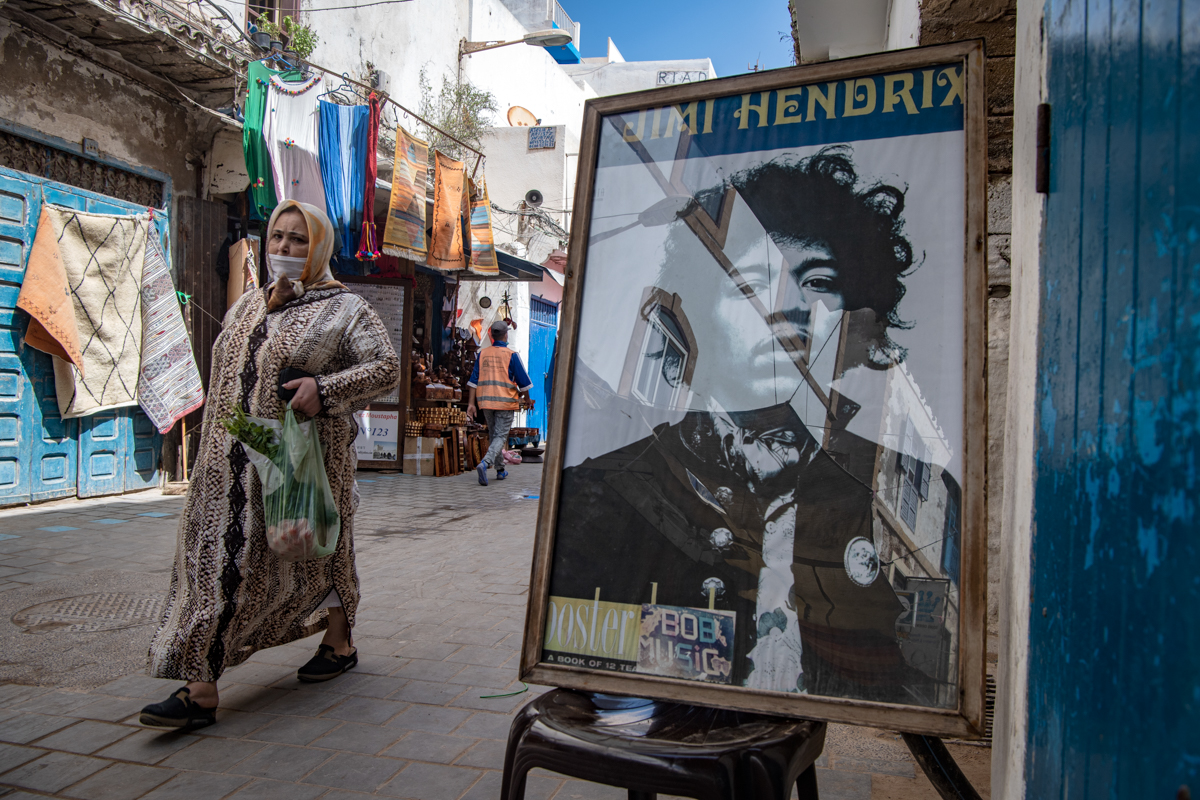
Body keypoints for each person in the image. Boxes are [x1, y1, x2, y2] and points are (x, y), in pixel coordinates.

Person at [549, 147, 950, 705]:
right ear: (701, 312)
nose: (790, 310)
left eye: (817, 282)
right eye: (753, 285)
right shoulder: (605, 493)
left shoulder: (857, 497)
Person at [139, 200, 400, 729]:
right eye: (277, 236)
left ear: (319, 247)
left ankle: (339, 640)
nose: (284, 247)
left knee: (321, 552)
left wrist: (324, 389)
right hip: (225, 467)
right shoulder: (248, 305)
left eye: (298, 239)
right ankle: (200, 686)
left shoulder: (345, 308)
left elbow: (385, 367)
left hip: (300, 465)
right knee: (214, 564)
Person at [465, 320, 533, 486]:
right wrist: (527, 399)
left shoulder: (482, 354)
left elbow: (473, 381)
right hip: (505, 402)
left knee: (494, 435)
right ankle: (485, 463)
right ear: (505, 335)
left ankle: (500, 469)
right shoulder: (511, 355)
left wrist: (471, 404)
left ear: (492, 336)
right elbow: (524, 382)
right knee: (501, 436)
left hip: (486, 402)